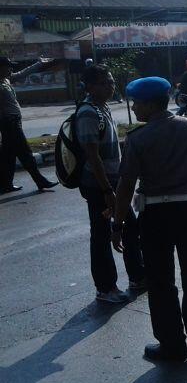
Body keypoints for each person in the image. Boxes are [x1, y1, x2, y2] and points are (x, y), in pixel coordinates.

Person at [113, 76, 187, 362]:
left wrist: (117, 224)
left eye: (137, 102)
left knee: (160, 281)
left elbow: (126, 185)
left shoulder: (137, 139)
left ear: (151, 103)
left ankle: (171, 345)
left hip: (154, 215)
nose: (134, 107)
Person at [76, 66, 146, 303]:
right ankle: (106, 288)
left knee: (129, 227)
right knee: (102, 234)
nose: (110, 86)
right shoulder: (87, 113)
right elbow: (92, 156)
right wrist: (107, 190)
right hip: (99, 185)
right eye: (104, 82)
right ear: (90, 86)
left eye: (111, 81)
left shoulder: (101, 108)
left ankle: (137, 276)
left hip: (113, 181)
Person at [0, 56, 59, 194]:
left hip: (13, 121)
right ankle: (40, 181)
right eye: (7, 66)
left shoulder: (6, 80)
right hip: (9, 123)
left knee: (8, 156)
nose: (10, 69)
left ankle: (5, 184)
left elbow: (22, 74)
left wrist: (39, 64)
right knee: (25, 153)